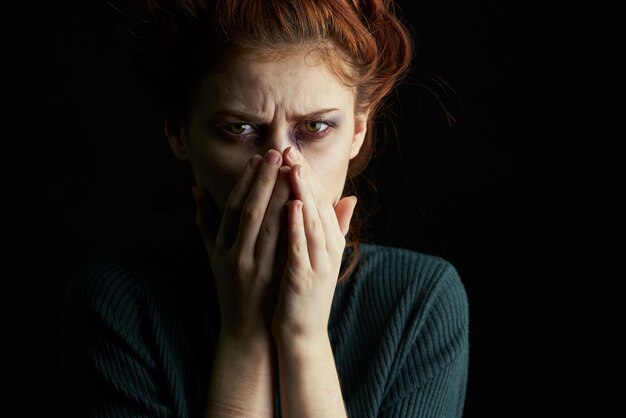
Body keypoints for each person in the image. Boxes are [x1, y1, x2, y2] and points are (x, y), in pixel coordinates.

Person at [60, 0, 469, 417]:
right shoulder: (118, 306)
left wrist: (304, 338)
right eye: (239, 129)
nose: (282, 166)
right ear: (178, 132)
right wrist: (245, 336)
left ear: (358, 130)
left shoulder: (419, 301)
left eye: (314, 127)